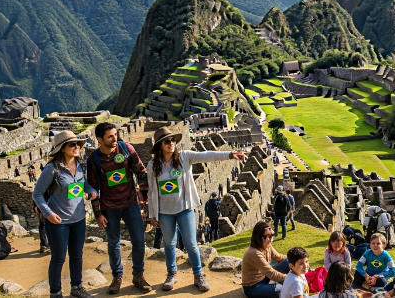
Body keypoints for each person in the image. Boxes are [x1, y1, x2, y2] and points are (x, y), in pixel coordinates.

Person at [147, 127, 245, 292]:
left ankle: (198, 275)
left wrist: (229, 154)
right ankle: (171, 274)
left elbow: (206, 155)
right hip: (164, 212)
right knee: (170, 244)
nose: (171, 143)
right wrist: (152, 215)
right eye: (166, 141)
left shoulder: (184, 157)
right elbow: (151, 191)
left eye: (172, 140)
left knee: (191, 244)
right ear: (159, 146)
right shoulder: (153, 165)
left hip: (184, 208)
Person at [87, 122, 151, 294]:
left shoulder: (125, 149)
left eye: (115, 135)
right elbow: (93, 188)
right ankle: (117, 277)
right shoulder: (94, 159)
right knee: (113, 243)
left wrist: (143, 197)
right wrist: (98, 213)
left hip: (130, 204)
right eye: (110, 136)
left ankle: (139, 275)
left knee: (139, 240)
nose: (115, 138)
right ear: (100, 139)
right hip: (109, 208)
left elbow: (140, 171)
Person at [32, 131, 98, 298]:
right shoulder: (52, 169)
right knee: (58, 259)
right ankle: (55, 293)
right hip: (58, 222)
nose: (77, 147)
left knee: (77, 255)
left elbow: (84, 185)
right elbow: (37, 193)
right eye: (72, 144)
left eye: (77, 144)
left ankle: (76, 287)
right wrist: (48, 214)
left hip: (78, 219)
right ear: (62, 148)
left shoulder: (80, 165)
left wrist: (91, 191)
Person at [242, 221, 291, 298]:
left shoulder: (267, 245)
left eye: (272, 235)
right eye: (268, 236)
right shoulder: (254, 253)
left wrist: (296, 258)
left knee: (288, 261)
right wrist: (291, 277)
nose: (271, 239)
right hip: (253, 287)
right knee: (281, 290)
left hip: (264, 277)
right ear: (260, 237)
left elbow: (279, 257)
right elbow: (272, 274)